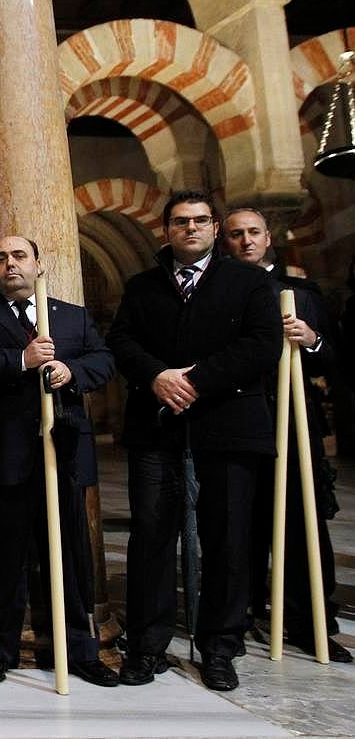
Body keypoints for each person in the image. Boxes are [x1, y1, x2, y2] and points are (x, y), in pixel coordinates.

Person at [108, 189, 282, 692]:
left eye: (201, 221)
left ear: (214, 228)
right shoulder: (142, 285)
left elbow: (261, 344)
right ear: (166, 230)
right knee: (151, 538)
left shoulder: (247, 282)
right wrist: (158, 376)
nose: (191, 229)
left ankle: (220, 648)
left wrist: (197, 381)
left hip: (228, 425)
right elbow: (121, 341)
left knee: (227, 540)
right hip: (158, 425)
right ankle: (146, 646)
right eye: (181, 222)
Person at [0, 236, 118, 688]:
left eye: (19, 256)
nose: (9, 265)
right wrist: (20, 360)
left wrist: (71, 372)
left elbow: (103, 360)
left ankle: (79, 649)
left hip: (61, 454)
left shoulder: (71, 316)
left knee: (70, 559)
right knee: (4, 560)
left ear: (38, 264)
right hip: (3, 456)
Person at [221, 208, 350, 663]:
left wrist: (311, 339)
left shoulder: (302, 294)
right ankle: (238, 616)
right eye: (236, 234)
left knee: (302, 518)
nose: (246, 241)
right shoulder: (219, 292)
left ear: (268, 236)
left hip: (295, 419)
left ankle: (308, 618)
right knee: (239, 521)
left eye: (253, 232)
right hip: (239, 418)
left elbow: (331, 360)